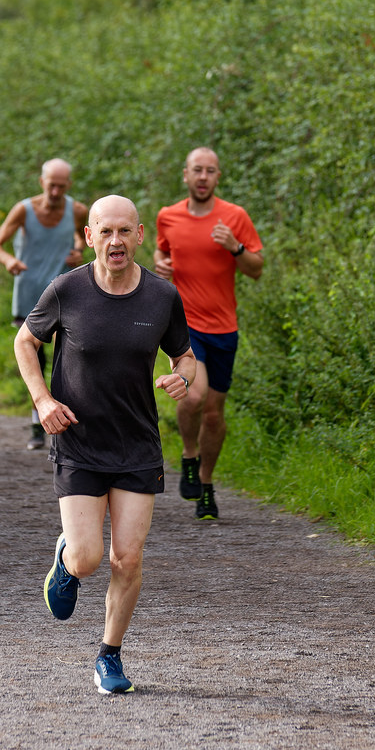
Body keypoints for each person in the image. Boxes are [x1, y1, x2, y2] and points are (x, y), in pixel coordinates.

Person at [14, 195, 195, 695]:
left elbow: (185, 355)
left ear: (140, 235)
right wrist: (42, 400)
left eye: (124, 231)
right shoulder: (66, 290)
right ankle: (67, 559)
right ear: (90, 236)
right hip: (79, 441)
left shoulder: (161, 296)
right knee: (89, 559)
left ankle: (109, 656)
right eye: (106, 231)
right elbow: (25, 341)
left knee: (127, 559)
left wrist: (182, 377)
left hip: (137, 445)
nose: (116, 241)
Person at [155, 146, 263, 521]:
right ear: (185, 175)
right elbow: (162, 255)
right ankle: (188, 454)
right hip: (185, 324)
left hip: (224, 327)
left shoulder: (235, 217)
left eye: (210, 171)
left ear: (218, 177)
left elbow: (256, 269)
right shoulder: (167, 216)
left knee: (214, 415)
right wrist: (161, 265)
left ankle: (205, 483)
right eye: (197, 170)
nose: (203, 177)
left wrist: (235, 247)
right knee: (193, 395)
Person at [0, 158, 88, 450]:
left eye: (61, 186)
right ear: (41, 182)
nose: (55, 192)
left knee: (67, 359)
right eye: (51, 185)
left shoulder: (77, 210)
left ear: (69, 185)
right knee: (36, 359)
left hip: (64, 294)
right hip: (30, 294)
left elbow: (84, 237)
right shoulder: (24, 210)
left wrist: (78, 250)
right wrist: (9, 260)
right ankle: (37, 422)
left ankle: (71, 423)